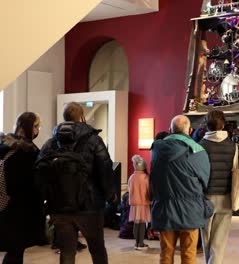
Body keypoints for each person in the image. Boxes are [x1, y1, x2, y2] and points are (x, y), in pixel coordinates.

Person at [38, 102, 114, 264]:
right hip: (90, 206)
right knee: (97, 250)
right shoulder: (94, 141)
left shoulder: (51, 143)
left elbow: (40, 173)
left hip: (60, 206)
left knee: (66, 253)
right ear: (82, 117)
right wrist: (109, 196)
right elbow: (105, 169)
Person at [150, 115, 211, 264]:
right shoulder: (199, 151)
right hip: (191, 210)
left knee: (166, 253)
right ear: (189, 131)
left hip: (165, 209)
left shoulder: (157, 150)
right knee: (189, 254)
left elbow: (154, 179)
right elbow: (205, 181)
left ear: (170, 130)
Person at [0, 112, 45, 264]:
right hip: (19, 209)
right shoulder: (29, 152)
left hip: (3, 204)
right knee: (16, 251)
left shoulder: (4, 145)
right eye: (37, 126)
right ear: (30, 128)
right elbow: (34, 184)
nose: (37, 130)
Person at [199, 110, 239, 264]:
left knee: (206, 234)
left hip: (206, 196)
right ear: (223, 124)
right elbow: (235, 171)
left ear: (206, 125)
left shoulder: (200, 146)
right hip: (226, 195)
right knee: (220, 238)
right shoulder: (233, 146)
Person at [128, 155, 151, 250]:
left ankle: (136, 243)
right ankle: (141, 243)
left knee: (136, 223)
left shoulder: (132, 177)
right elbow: (149, 191)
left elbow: (129, 190)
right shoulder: (146, 178)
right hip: (143, 203)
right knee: (142, 223)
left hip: (134, 204)